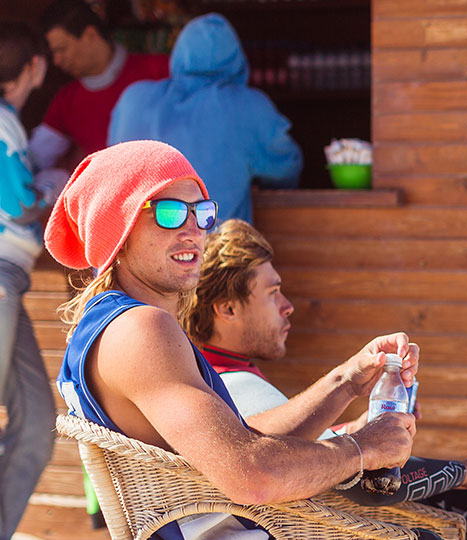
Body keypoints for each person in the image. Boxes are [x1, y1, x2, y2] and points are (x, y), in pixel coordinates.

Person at [46, 140, 421, 540]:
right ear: (118, 229)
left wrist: (347, 380)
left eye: (202, 212)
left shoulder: (111, 326)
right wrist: (362, 448)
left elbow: (244, 442)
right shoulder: (141, 330)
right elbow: (252, 475)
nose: (193, 230)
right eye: (170, 212)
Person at [183, 219, 467, 540]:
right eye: (272, 291)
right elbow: (359, 482)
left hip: (369, 518)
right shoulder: (236, 388)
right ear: (228, 309)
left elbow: (321, 455)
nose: (288, 305)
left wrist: (369, 427)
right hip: (365, 523)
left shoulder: (226, 381)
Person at [109, 13, 301, 224]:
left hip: (131, 246)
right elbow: (286, 168)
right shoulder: (246, 106)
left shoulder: (133, 98)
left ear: (178, 54)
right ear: (238, 60)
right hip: (211, 249)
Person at [0, 21, 58, 540]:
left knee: (37, 426)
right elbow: (17, 204)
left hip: (10, 282)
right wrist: (53, 187)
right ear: (34, 67)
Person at [30, 0, 169, 171]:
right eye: (53, 53)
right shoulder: (66, 101)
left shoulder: (159, 71)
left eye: (62, 49)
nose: (57, 61)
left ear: (90, 35)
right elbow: (37, 157)